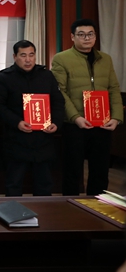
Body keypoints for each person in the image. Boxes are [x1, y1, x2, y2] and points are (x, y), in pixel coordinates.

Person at [51, 18, 123, 196]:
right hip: (75, 124)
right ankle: (70, 206)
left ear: (95, 36)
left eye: (90, 34)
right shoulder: (62, 58)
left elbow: (113, 88)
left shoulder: (105, 59)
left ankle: (98, 205)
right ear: (72, 37)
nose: (86, 38)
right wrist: (76, 117)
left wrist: (116, 117)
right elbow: (60, 91)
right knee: (72, 170)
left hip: (102, 123)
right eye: (81, 34)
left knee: (100, 170)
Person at [0, 40, 65, 196]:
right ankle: (13, 211)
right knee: (14, 183)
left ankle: (43, 212)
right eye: (23, 55)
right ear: (15, 57)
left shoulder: (46, 76)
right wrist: (17, 122)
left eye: (31, 55)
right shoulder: (4, 78)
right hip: (16, 139)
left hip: (43, 139)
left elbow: (58, 102)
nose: (28, 60)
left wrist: (56, 123)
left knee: (44, 184)